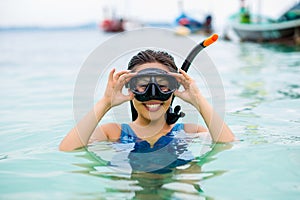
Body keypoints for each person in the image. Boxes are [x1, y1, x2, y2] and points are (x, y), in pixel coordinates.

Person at [59, 49, 235, 153]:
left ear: (175, 88)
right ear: (129, 88)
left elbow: (227, 144)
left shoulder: (189, 132)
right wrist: (105, 102)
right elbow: (67, 149)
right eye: (143, 86)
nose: (153, 94)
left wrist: (198, 99)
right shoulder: (112, 133)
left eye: (163, 86)